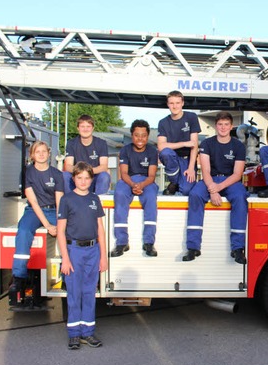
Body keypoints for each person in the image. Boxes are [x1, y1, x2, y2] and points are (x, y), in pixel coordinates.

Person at [183, 111, 248, 264]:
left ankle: (238, 248)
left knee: (240, 196)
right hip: (210, 179)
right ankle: (193, 247)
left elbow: (237, 174)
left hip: (230, 181)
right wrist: (212, 188)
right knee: (195, 195)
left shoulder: (238, 146)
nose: (223, 127)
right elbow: (205, 170)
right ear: (215, 126)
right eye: (220, 124)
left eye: (226, 124)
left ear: (231, 126)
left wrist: (217, 188)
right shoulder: (206, 143)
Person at [57, 162, 107, 350]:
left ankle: (88, 332)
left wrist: (103, 257)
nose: (83, 181)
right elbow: (61, 231)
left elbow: (100, 229)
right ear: (74, 179)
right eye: (79, 178)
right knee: (74, 293)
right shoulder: (67, 200)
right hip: (74, 251)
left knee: (89, 293)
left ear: (91, 180)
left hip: (93, 251)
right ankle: (74, 334)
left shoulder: (95, 199)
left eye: (87, 178)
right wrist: (66, 258)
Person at [10, 141, 64, 304]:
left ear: (49, 153)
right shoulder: (27, 172)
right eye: (37, 152)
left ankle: (67, 274)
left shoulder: (57, 174)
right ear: (32, 155)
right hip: (34, 210)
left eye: (44, 151)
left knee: (67, 233)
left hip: (53, 209)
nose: (41, 154)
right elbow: (33, 201)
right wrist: (47, 226)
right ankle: (18, 277)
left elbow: (59, 199)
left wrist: (60, 223)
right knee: (24, 232)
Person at [110, 119, 159, 257]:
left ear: (148, 136)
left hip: (146, 181)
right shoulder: (125, 150)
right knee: (119, 193)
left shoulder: (152, 151)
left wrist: (141, 185)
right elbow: (124, 173)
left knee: (150, 197)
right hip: (128, 180)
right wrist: (133, 185)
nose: (140, 138)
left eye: (143, 135)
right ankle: (121, 242)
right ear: (132, 135)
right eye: (137, 135)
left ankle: (149, 242)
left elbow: (152, 176)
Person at [157, 90, 201, 195]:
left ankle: (175, 184)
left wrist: (191, 168)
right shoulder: (163, 122)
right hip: (173, 158)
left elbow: (194, 145)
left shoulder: (191, 117)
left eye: (177, 103)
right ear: (168, 104)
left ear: (182, 103)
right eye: (171, 103)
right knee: (165, 152)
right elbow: (161, 146)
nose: (175, 106)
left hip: (187, 159)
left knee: (186, 190)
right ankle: (174, 181)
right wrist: (184, 143)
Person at [62, 115, 111, 194]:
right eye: (82, 126)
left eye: (88, 126)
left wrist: (87, 173)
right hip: (77, 178)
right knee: (65, 175)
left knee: (104, 176)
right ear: (78, 128)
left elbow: (104, 167)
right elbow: (68, 166)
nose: (85, 129)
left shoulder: (101, 143)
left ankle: (98, 202)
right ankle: (69, 201)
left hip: (93, 178)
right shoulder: (71, 143)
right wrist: (81, 174)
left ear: (93, 128)